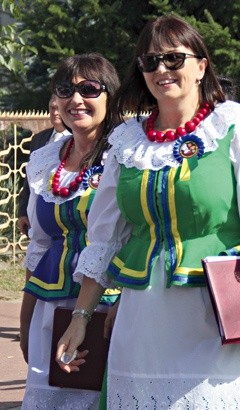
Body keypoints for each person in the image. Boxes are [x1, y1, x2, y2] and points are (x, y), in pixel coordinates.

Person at [55, 15, 240, 409]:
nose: (161, 70)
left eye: (173, 58)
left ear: (201, 66)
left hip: (215, 312)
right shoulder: (128, 140)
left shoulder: (232, 126)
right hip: (142, 314)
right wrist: (81, 316)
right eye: (150, 62)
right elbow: (105, 237)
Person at [19, 53, 121, 409]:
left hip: (109, 305)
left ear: (110, 95)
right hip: (49, 302)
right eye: (66, 89)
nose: (76, 99)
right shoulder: (46, 161)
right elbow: (40, 244)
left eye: (89, 89)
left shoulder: (126, 157)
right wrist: (26, 319)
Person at [16, 95, 70, 236]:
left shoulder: (76, 139)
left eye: (58, 108)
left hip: (63, 213)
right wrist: (22, 212)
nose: (55, 112)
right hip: (36, 213)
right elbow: (29, 179)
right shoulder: (39, 139)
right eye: (52, 108)